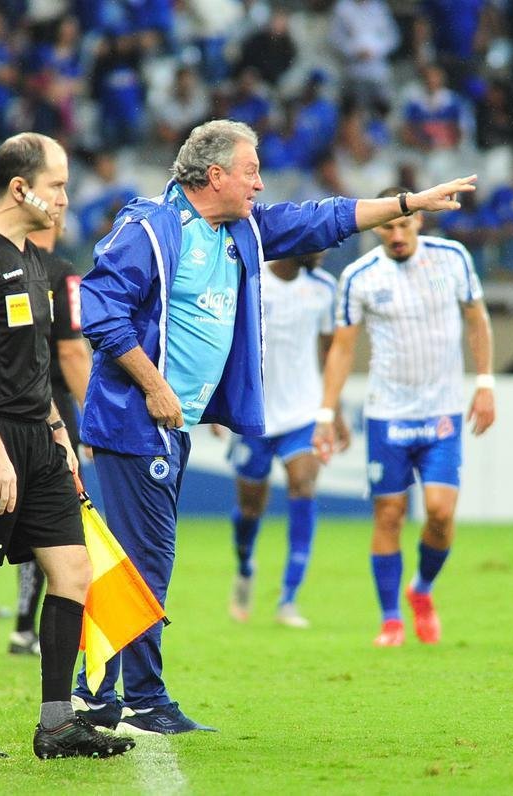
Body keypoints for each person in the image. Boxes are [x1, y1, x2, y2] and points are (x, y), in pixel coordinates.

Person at [73, 118, 475, 734]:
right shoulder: (150, 227)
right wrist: (154, 387)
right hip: (135, 421)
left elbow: (323, 218)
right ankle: (134, 699)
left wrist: (405, 203)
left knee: (136, 560)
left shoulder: (240, 229)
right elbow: (100, 311)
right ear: (215, 176)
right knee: (145, 561)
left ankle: (101, 695)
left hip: (167, 425)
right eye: (251, 171)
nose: (260, 183)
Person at [0, 132, 134, 761]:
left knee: (72, 572)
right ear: (20, 188)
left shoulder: (41, 264)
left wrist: (57, 433)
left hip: (39, 441)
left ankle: (55, 725)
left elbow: (33, 366)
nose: (65, 198)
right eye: (57, 185)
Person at [313, 187, 496, 648]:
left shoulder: (452, 258)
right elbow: (342, 348)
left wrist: (486, 383)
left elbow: (477, 319)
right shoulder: (358, 277)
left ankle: (422, 590)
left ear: (418, 220)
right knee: (390, 513)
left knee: (439, 513)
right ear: (376, 229)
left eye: (402, 223)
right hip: (388, 413)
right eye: (386, 226)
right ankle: (391, 618)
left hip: (441, 411)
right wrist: (325, 412)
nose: (395, 233)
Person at [226, 251, 349, 630]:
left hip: (303, 413)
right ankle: (245, 567)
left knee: (303, 485)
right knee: (250, 509)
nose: (325, 251)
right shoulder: (251, 279)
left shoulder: (324, 288)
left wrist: (334, 410)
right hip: (254, 413)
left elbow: (332, 352)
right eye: (318, 243)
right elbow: (226, 339)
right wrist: (220, 402)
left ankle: (288, 599)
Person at [9, 215, 91, 656]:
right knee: (52, 521)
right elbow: (72, 350)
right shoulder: (62, 274)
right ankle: (25, 626)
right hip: (51, 406)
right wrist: (94, 419)